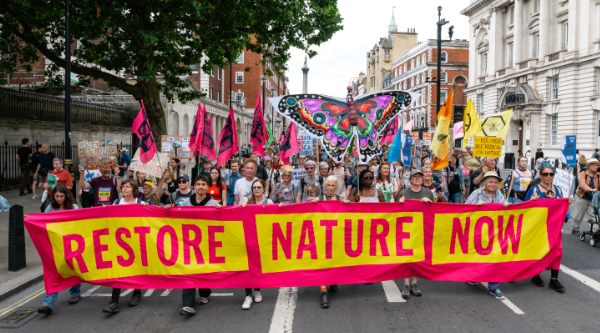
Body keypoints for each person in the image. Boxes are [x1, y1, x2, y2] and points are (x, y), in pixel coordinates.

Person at [177, 175, 222, 315]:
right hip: (190, 243)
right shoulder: (185, 202)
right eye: (198, 184)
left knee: (203, 269)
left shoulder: (213, 203)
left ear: (207, 187)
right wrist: (168, 209)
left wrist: (221, 211)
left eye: (203, 184)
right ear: (194, 187)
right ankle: (188, 305)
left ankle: (205, 291)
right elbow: (177, 218)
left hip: (207, 243)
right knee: (190, 272)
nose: (201, 187)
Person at [525, 161, 571, 293]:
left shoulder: (559, 190)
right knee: (538, 252)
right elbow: (524, 208)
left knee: (557, 252)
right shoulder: (534, 189)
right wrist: (532, 201)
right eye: (546, 174)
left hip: (555, 228)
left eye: (551, 174)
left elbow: (564, 209)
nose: (549, 176)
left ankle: (554, 280)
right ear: (540, 175)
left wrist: (566, 209)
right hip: (538, 229)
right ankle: (535, 275)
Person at [103, 179, 147, 313]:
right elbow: (109, 218)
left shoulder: (140, 203)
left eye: (127, 187)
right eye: (123, 187)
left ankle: (137, 293)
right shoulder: (117, 202)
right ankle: (114, 301)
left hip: (136, 241)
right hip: (120, 242)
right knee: (118, 270)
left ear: (134, 189)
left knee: (136, 268)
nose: (124, 189)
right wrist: (104, 210)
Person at [465, 171, 510, 300]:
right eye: (490, 181)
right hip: (479, 232)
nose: (493, 184)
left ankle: (495, 287)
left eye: (496, 182)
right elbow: (464, 210)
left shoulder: (498, 194)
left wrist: (506, 206)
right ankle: (475, 277)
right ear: (485, 183)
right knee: (478, 256)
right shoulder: (476, 194)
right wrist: (476, 206)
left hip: (495, 232)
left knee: (496, 258)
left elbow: (503, 208)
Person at [37, 184, 80, 315]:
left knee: (73, 268)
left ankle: (75, 292)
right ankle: (47, 303)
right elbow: (42, 222)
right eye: (56, 196)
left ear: (66, 195)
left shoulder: (73, 207)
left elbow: (79, 223)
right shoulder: (51, 207)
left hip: (71, 243)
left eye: (61, 196)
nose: (59, 199)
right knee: (53, 272)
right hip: (56, 245)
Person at [311, 176, 349, 308]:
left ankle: (333, 281)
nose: (331, 188)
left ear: (336, 187)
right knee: (323, 263)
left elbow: (351, 213)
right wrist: (314, 204)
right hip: (322, 237)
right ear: (325, 187)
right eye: (329, 185)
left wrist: (347, 204)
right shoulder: (319, 200)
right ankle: (323, 292)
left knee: (335, 260)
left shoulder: (341, 200)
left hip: (337, 237)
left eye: (333, 185)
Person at [397, 169, 434, 299]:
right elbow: (395, 212)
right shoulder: (404, 192)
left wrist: (429, 203)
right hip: (407, 231)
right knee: (407, 258)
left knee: (418, 258)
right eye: (415, 177)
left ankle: (414, 284)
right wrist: (400, 203)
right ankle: (406, 284)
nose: (417, 178)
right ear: (410, 179)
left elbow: (435, 211)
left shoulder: (428, 193)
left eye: (420, 176)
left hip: (422, 230)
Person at [240, 179, 273, 309]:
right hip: (249, 237)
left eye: (259, 187)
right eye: (254, 187)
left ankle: (257, 290)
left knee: (258, 266)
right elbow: (239, 211)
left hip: (263, 239)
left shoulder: (268, 202)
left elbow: (275, 217)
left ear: (264, 189)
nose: (257, 189)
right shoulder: (247, 201)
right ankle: (248, 295)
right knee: (248, 266)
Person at [569, 158, 600, 236]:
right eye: (594, 165)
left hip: (593, 198)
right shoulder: (583, 173)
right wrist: (591, 189)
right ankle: (575, 229)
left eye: (597, 165)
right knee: (578, 214)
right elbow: (582, 184)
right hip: (581, 196)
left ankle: (595, 231)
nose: (596, 167)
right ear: (589, 166)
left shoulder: (598, 175)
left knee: (593, 215)